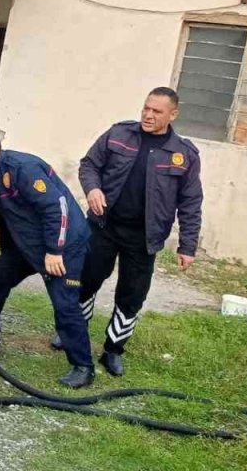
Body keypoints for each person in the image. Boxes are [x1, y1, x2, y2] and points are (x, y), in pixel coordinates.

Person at [76, 87, 203, 376]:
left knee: (132, 295)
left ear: (173, 114)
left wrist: (187, 246)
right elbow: (89, 165)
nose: (148, 114)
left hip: (144, 237)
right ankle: (75, 334)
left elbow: (190, 202)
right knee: (86, 280)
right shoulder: (119, 134)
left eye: (157, 111)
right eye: (146, 108)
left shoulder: (183, 154)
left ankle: (113, 350)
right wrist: (93, 188)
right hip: (103, 226)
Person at [0, 122, 94, 388]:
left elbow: (56, 207)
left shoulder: (20, 169)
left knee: (64, 303)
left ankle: (83, 366)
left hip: (63, 245)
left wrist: (54, 250)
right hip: (28, 247)